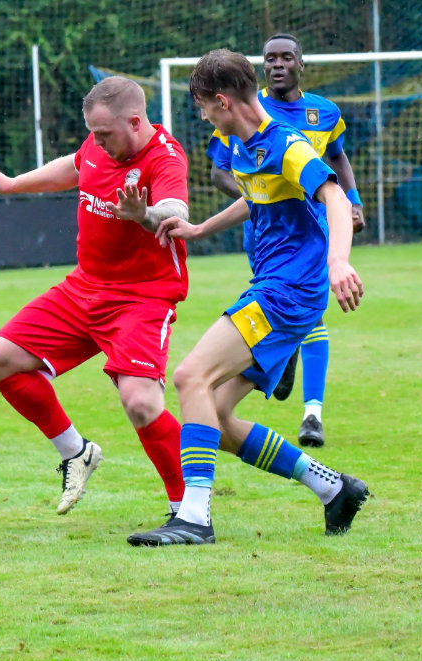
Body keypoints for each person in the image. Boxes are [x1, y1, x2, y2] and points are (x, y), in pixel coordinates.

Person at [128, 49, 369, 547]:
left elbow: (334, 196)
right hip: (275, 286)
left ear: (222, 101)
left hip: (288, 292)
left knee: (190, 376)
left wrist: (339, 261)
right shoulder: (244, 143)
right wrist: (200, 229)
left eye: (203, 107)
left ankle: (194, 517)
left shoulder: (287, 144)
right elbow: (253, 195)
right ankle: (333, 489)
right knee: (214, 415)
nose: (203, 117)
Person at [0, 76, 188, 520]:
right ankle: (75, 451)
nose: (98, 142)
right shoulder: (99, 143)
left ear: (135, 122)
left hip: (141, 298)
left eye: (104, 133)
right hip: (83, 288)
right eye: (93, 133)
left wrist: (143, 214)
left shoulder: (164, 157)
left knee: (141, 403)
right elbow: (75, 166)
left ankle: (187, 508)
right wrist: (13, 184)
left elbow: (176, 213)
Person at [208, 33, 364, 450]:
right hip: (264, 238)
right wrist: (261, 196)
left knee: (311, 314)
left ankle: (312, 413)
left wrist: (354, 201)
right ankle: (279, 359)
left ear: (301, 63)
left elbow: (336, 158)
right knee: (293, 316)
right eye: (270, 59)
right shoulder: (243, 112)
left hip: (313, 234)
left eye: (286, 57)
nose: (278, 65)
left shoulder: (324, 112)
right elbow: (219, 171)